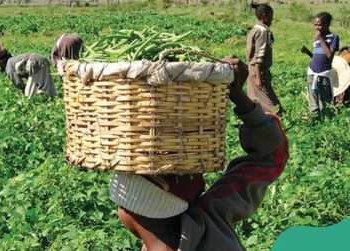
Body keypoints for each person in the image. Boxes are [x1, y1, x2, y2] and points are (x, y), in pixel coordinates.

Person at [110, 57, 289, 251]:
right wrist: (238, 96)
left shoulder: (202, 217)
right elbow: (271, 156)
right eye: (184, 169)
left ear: (124, 212)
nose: (198, 173)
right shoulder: (209, 218)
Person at [245, 2, 283, 115]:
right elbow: (259, 56)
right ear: (265, 16)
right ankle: (280, 124)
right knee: (273, 106)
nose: (272, 19)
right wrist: (258, 77)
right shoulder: (263, 31)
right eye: (271, 16)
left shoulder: (255, 29)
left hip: (251, 70)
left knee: (254, 102)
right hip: (258, 71)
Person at [301, 12, 340, 115]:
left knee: (325, 101)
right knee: (313, 101)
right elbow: (316, 56)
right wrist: (308, 52)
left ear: (327, 24)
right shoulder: (317, 38)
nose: (317, 27)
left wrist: (321, 39)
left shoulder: (334, 37)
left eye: (319, 24)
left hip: (324, 74)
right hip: (312, 72)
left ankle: (327, 119)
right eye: (315, 24)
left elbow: (329, 57)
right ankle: (315, 118)